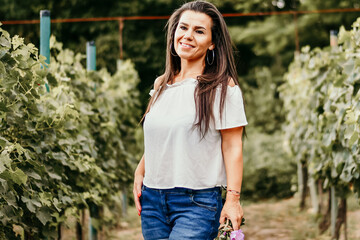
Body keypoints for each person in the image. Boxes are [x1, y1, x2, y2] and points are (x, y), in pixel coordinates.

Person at [133, 1, 247, 239]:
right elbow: (163, 137)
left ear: (212, 42)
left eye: (199, 31)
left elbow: (233, 146)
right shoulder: (161, 84)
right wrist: (140, 171)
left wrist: (233, 199)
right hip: (153, 200)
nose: (187, 36)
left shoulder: (223, 88)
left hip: (197, 203)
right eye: (183, 28)